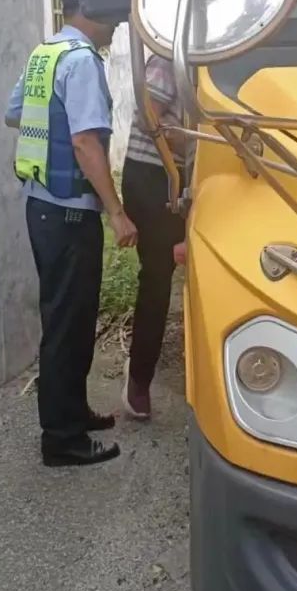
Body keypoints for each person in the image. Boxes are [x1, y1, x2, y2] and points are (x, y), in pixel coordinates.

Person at [6, 0, 138, 467]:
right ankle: (62, 439)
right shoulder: (81, 62)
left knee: (72, 319)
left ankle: (73, 410)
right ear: (92, 9)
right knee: (67, 323)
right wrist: (117, 212)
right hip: (68, 211)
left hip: (42, 205)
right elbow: (86, 143)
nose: (118, 24)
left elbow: (13, 112)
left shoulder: (47, 54)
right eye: (115, 13)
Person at [121, 52, 190, 419]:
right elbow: (148, 111)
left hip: (184, 175)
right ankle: (138, 383)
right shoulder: (170, 56)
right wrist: (194, 143)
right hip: (152, 174)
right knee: (158, 277)